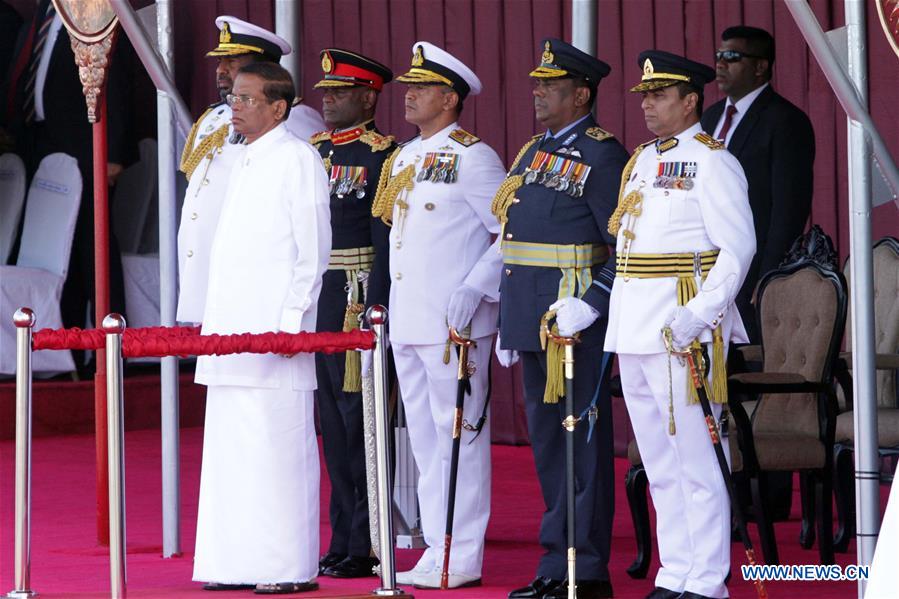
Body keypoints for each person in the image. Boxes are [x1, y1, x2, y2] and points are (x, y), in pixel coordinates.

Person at [605, 50, 755, 599]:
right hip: (637, 326)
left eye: (659, 94)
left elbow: (737, 248)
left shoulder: (713, 161)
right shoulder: (642, 160)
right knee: (661, 463)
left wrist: (701, 311)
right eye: (644, 95)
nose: (647, 104)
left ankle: (708, 579)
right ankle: (676, 572)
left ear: (691, 100)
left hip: (682, 322)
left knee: (695, 459)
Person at [493, 39, 628, 599]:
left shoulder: (602, 155)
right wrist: (508, 320)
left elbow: (622, 249)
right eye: (537, 83)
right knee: (550, 448)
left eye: (550, 85)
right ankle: (555, 565)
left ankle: (584, 571)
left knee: (580, 448)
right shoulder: (532, 151)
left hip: (573, 325)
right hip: (533, 321)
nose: (538, 92)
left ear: (581, 94)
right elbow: (515, 241)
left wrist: (591, 303)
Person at [192, 62, 331, 595]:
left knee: (278, 450)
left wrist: (290, 328)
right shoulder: (239, 156)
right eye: (235, 97)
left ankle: (283, 565)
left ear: (279, 107)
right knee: (230, 452)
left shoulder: (297, 158)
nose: (237, 105)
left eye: (249, 98)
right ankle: (231, 562)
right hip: (230, 333)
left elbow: (311, 251)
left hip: (274, 336)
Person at [371, 41, 505, 589]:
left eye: (421, 88)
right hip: (410, 320)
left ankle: (462, 553)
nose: (409, 96)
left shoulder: (474, 157)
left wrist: (476, 286)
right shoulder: (403, 156)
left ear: (449, 99)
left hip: (455, 326)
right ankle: (435, 546)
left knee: (460, 439)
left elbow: (508, 232)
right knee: (425, 443)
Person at [309, 48, 396, 579]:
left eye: (340, 91)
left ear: (368, 96)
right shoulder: (311, 152)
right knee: (332, 427)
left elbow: (385, 241)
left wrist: (377, 304)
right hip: (320, 293)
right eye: (326, 91)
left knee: (360, 419)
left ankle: (366, 539)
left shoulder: (383, 156)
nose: (330, 99)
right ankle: (341, 534)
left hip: (357, 295)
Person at [177, 15, 325, 324]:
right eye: (220, 61)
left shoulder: (292, 120)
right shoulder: (210, 119)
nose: (221, 70)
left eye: (232, 62)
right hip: (209, 275)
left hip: (257, 282)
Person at [2, 0, 133, 341]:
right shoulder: (44, 13)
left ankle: (119, 343)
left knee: (95, 243)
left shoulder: (94, 10)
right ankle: (72, 343)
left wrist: (112, 153)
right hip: (39, 141)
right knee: (60, 248)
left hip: (85, 144)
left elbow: (115, 77)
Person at [701, 25, 814, 343]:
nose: (720, 64)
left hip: (751, 271)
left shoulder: (785, 120)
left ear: (761, 66)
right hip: (704, 268)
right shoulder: (708, 118)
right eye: (719, 56)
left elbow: (789, 208)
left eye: (732, 56)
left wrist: (769, 278)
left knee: (747, 364)